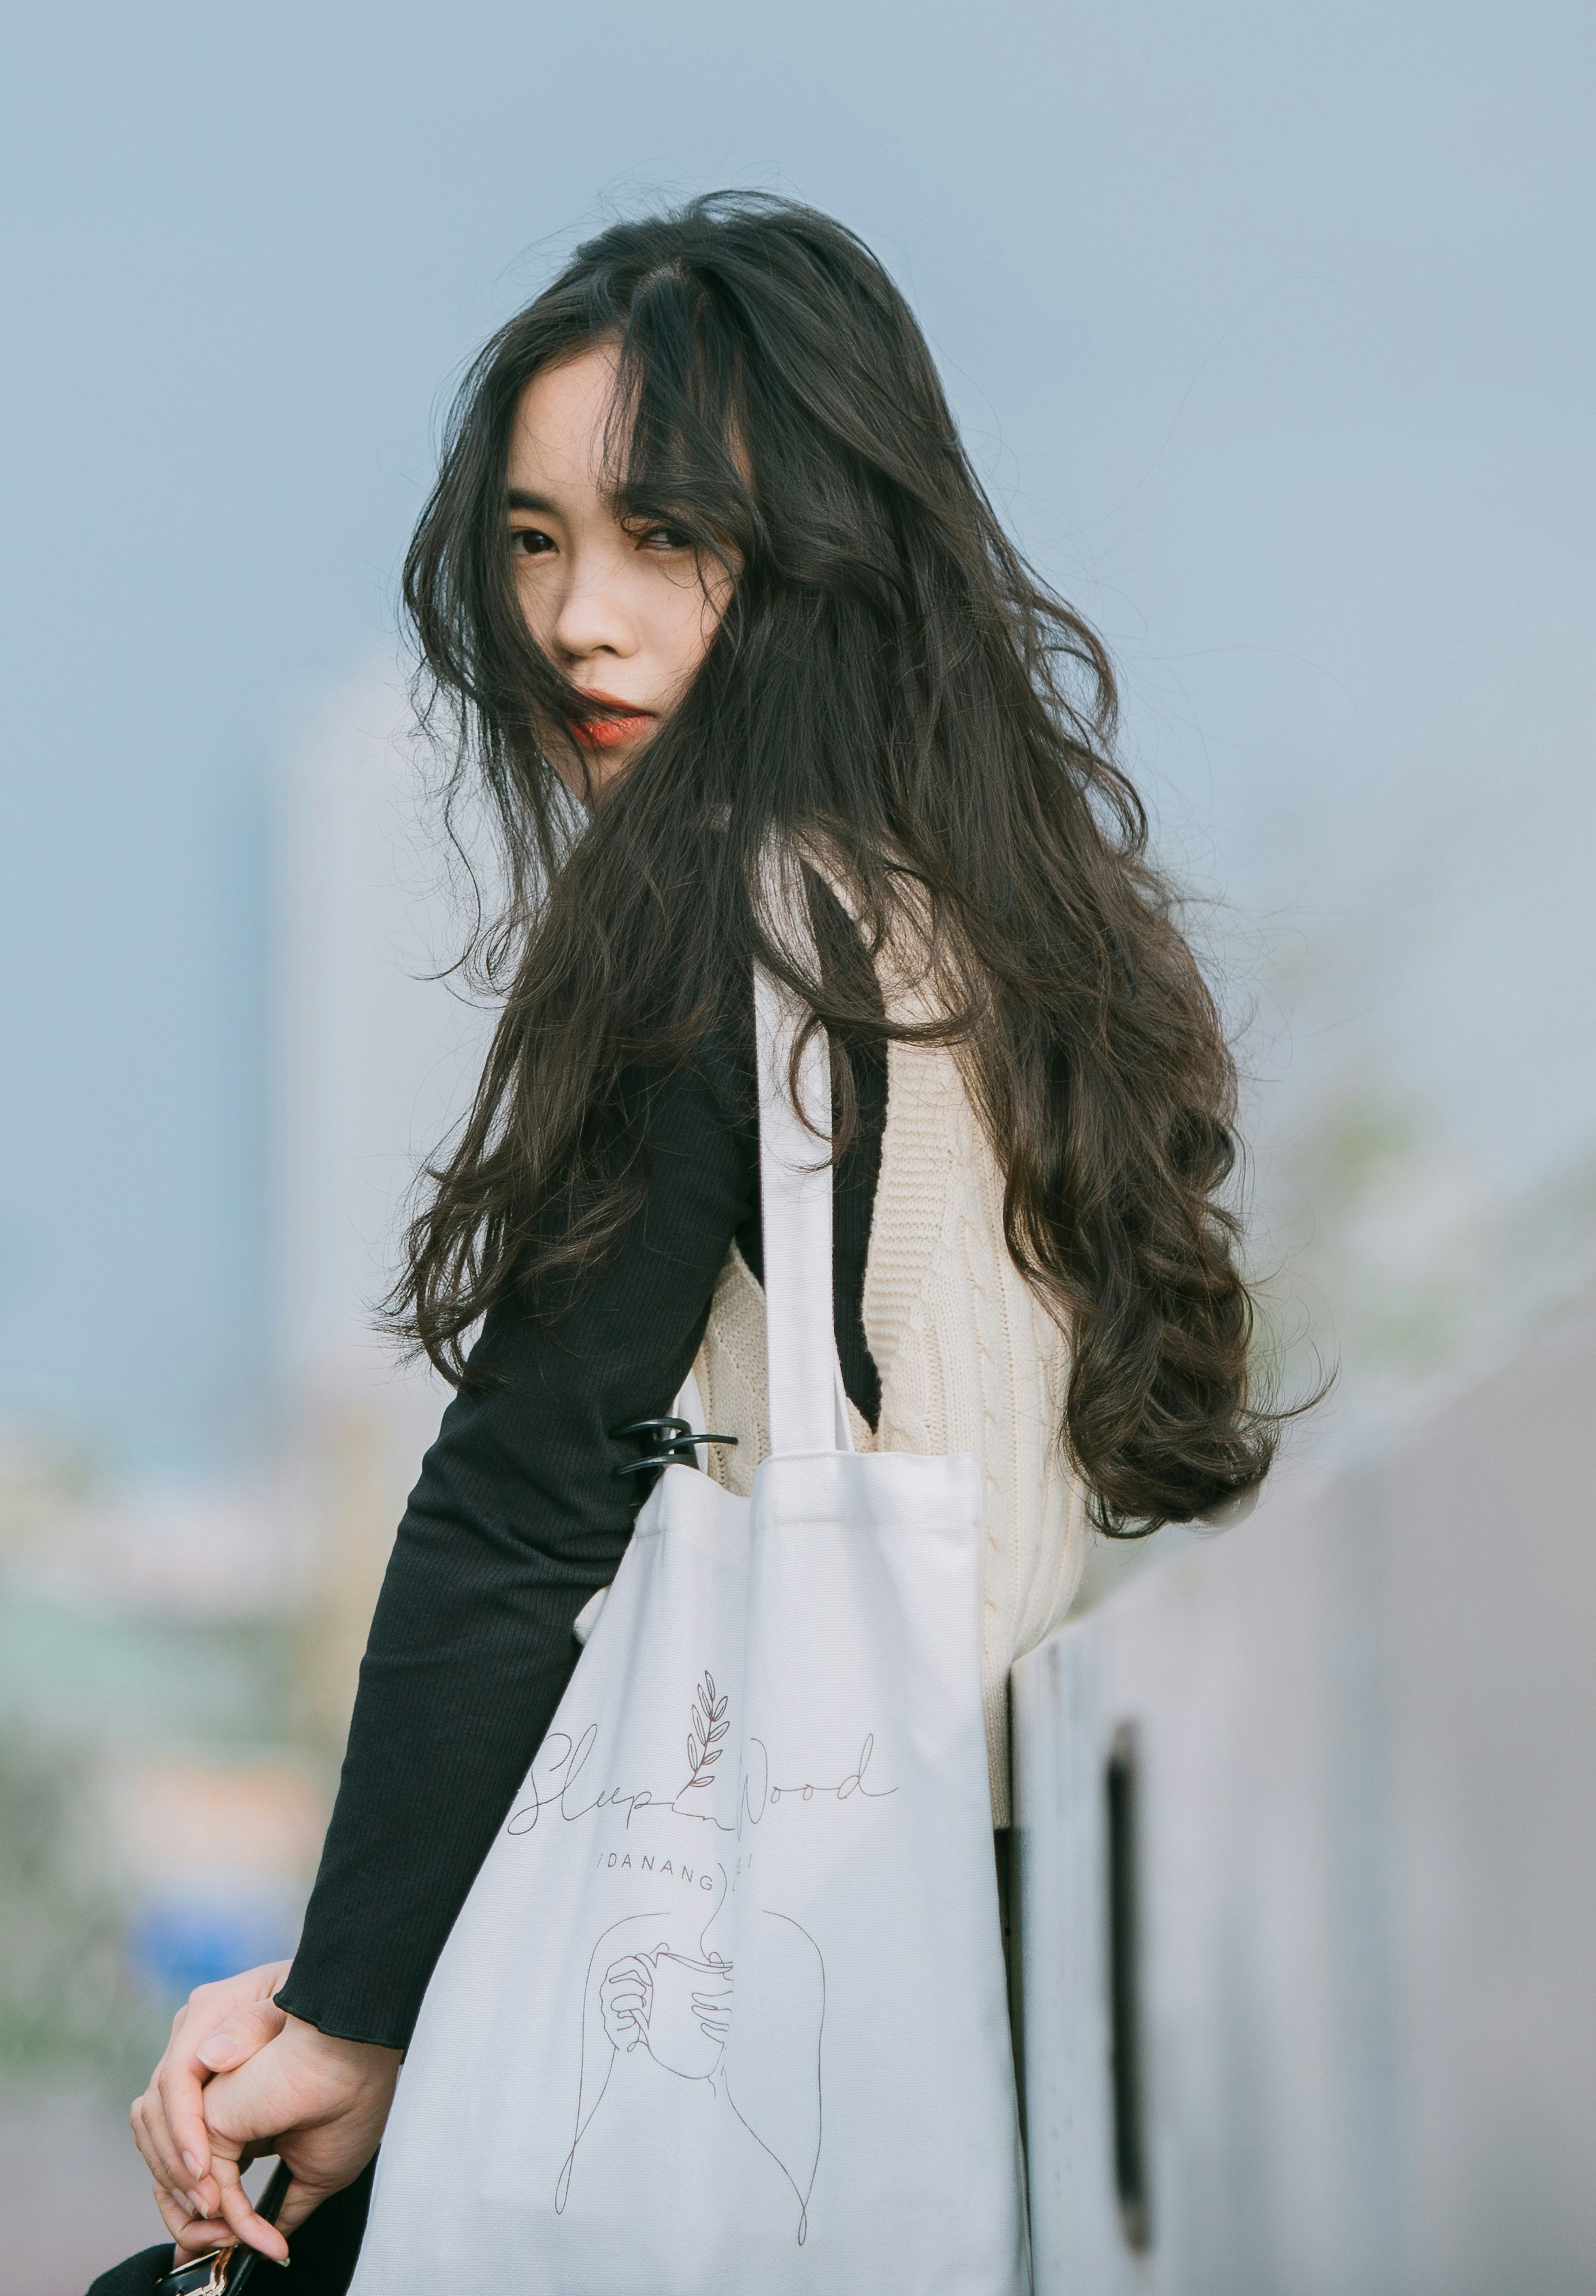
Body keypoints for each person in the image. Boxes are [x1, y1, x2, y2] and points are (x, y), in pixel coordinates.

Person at [120, 193, 1277, 2286]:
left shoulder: (716, 909)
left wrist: (350, 2013)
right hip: (987, 1970)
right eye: (538, 540)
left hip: (761, 1988)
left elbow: (524, 1501)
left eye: (671, 541)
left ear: (828, 554)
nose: (579, 619)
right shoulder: (1010, 929)